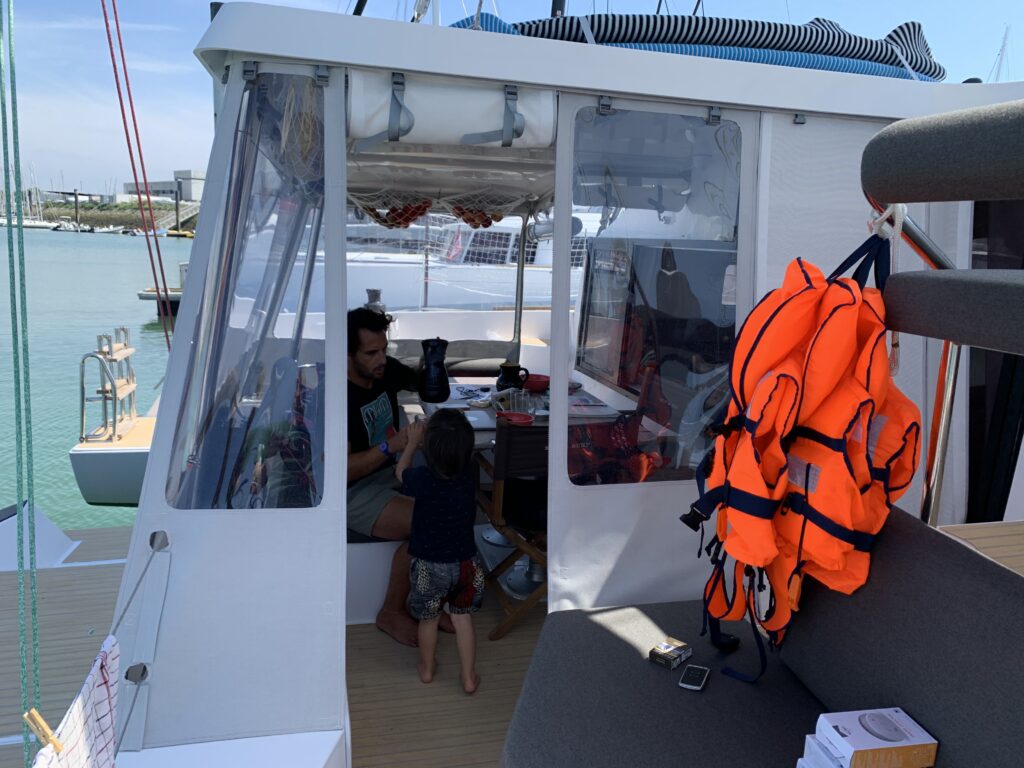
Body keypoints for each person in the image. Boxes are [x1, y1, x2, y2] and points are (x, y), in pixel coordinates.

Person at [394, 408, 483, 694]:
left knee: (428, 619)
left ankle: (427, 668)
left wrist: (411, 443)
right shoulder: (471, 473)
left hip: (428, 566)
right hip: (467, 564)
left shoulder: (422, 479)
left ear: (428, 451)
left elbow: (400, 473)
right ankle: (468, 676)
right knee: (462, 618)